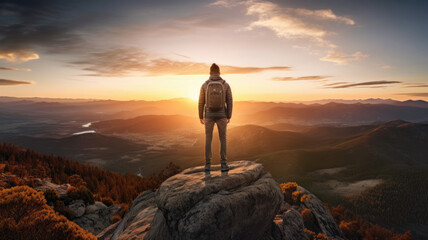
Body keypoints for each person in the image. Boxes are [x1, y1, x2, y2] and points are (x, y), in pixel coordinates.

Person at [198, 63, 233, 172]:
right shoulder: (225, 84)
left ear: (210, 72)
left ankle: (208, 164)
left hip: (208, 115)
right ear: (219, 72)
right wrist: (229, 115)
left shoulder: (205, 85)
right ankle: (223, 164)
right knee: (223, 139)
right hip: (222, 114)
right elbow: (230, 101)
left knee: (208, 139)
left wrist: (200, 116)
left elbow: (201, 102)